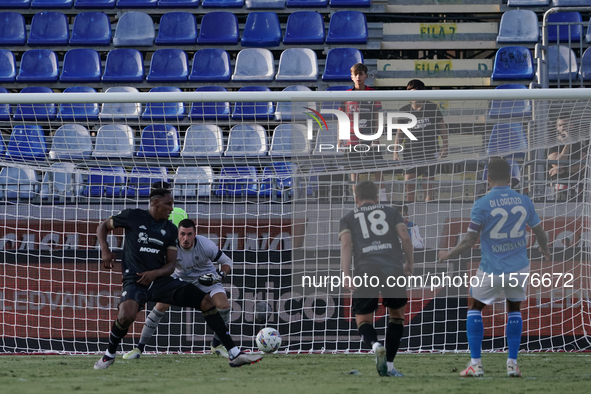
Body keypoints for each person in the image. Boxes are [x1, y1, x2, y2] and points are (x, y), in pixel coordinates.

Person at [94, 187, 262, 369]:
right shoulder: (132, 216)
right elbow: (102, 226)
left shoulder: (170, 229)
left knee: (206, 301)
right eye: (168, 204)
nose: (171, 208)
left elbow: (171, 265)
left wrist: (155, 274)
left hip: (160, 281)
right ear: (155, 203)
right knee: (126, 316)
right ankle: (110, 355)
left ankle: (234, 353)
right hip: (135, 281)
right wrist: (105, 249)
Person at [438, 157, 551, 378]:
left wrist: (447, 254)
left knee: (474, 307)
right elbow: (540, 232)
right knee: (514, 310)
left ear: (487, 178)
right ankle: (512, 364)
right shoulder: (524, 200)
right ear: (511, 177)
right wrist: (545, 250)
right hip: (519, 268)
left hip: (491, 269)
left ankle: (475, 364)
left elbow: (469, 241)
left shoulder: (482, 203)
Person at [123, 218, 234, 359]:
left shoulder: (206, 245)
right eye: (182, 234)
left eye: (189, 234)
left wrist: (220, 275)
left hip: (205, 280)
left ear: (195, 234)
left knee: (224, 306)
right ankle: (139, 349)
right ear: (177, 234)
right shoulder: (170, 246)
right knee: (160, 307)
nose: (185, 238)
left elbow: (227, 261)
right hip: (179, 280)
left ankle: (216, 344)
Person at [339, 180, 414, 376]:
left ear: (356, 199)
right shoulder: (390, 212)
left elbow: (346, 245)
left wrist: (346, 275)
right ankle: (389, 366)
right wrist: (409, 263)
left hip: (366, 269)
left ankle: (374, 345)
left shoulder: (348, 218)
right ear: (377, 197)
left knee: (363, 320)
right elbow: (405, 236)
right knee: (397, 317)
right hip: (393, 268)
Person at [393, 79, 449, 202]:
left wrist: (445, 146)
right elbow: (400, 133)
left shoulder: (432, 107)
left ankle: (428, 217)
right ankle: (409, 214)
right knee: (409, 186)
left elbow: (442, 128)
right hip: (410, 152)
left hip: (430, 151)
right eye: (410, 91)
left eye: (416, 91)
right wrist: (396, 151)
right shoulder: (404, 110)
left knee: (429, 187)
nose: (413, 94)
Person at [339, 63, 387, 202]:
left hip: (370, 137)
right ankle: (357, 201)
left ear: (366, 76)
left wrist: (377, 136)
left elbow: (377, 117)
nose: (358, 77)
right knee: (355, 171)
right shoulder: (346, 95)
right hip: (352, 139)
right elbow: (341, 118)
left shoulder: (372, 94)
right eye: (355, 74)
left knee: (378, 168)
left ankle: (382, 199)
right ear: (351, 77)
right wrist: (340, 137)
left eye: (361, 74)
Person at [547, 113, 588, 201]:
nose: (562, 128)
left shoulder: (579, 145)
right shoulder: (553, 145)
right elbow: (558, 164)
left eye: (565, 124)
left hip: (577, 187)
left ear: (572, 125)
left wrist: (564, 170)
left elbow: (582, 166)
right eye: (560, 125)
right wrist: (567, 145)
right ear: (556, 127)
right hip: (558, 187)